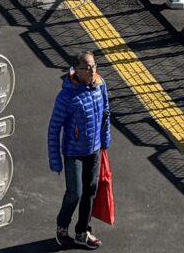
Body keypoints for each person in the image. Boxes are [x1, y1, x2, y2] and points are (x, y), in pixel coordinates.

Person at [48, 52, 112, 249]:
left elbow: (106, 113)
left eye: (93, 66)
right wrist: (55, 159)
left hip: (93, 150)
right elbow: (54, 128)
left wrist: (105, 140)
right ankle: (62, 228)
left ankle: (82, 231)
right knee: (74, 192)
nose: (92, 70)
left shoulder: (100, 85)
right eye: (87, 67)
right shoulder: (66, 97)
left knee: (90, 191)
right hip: (73, 152)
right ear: (76, 70)